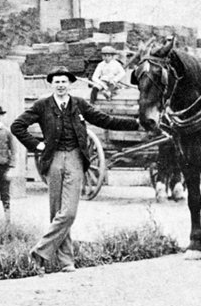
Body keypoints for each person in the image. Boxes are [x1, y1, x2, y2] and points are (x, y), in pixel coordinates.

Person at [10, 66, 140, 274]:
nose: (60, 85)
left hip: (75, 158)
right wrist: (37, 145)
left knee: (68, 212)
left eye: (64, 82)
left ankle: (39, 252)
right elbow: (17, 126)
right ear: (51, 84)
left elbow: (104, 120)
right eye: (57, 82)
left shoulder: (79, 104)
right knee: (56, 212)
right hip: (52, 159)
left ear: (70, 84)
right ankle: (66, 261)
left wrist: (135, 124)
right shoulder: (42, 105)